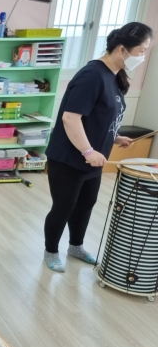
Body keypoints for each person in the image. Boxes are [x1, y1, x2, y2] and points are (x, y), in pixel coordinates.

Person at [43, 22, 153, 272]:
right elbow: (71, 118)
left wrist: (114, 137)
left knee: (86, 204)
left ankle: (76, 246)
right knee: (64, 207)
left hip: (92, 159)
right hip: (70, 158)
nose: (143, 56)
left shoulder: (114, 75)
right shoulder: (93, 75)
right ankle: (51, 251)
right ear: (123, 49)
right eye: (142, 51)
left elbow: (98, 116)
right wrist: (88, 151)